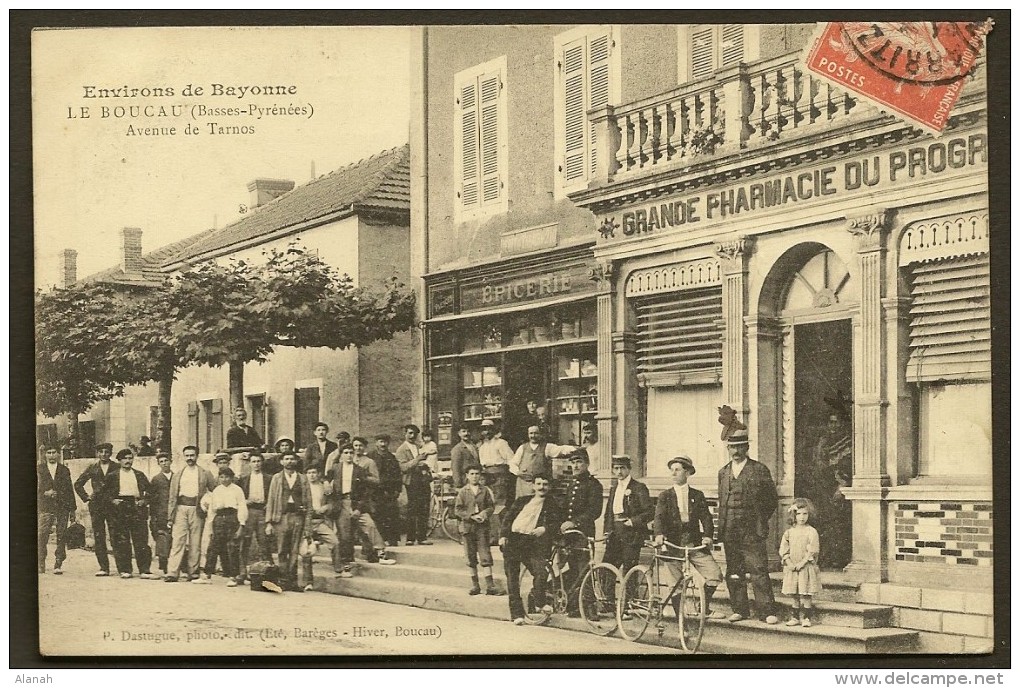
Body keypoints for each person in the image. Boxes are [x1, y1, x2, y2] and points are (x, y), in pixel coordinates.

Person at [717, 428, 780, 625]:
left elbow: (771, 500)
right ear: (728, 448)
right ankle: (739, 609)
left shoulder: (759, 470)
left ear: (747, 447)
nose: (736, 451)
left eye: (739, 446)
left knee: (758, 570)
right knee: (734, 571)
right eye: (732, 447)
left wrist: (758, 519)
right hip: (730, 531)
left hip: (752, 530)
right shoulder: (723, 472)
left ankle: (767, 611)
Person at [653, 456, 726, 621]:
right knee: (676, 583)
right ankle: (681, 620)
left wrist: (707, 536)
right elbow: (659, 517)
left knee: (714, 574)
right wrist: (659, 534)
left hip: (693, 542)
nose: (673, 473)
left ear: (687, 472)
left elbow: (706, 518)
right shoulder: (665, 495)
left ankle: (704, 608)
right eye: (671, 470)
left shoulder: (697, 495)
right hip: (672, 544)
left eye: (677, 470)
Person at [499, 474, 562, 625]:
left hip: (533, 544)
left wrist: (545, 528)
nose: (542, 487)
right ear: (533, 486)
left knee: (541, 572)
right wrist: (503, 536)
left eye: (545, 484)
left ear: (549, 487)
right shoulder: (522, 501)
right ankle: (516, 614)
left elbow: (557, 523)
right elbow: (508, 518)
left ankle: (539, 601)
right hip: (513, 540)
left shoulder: (553, 504)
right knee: (512, 579)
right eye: (539, 484)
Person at [330, 444, 395, 576]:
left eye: (350, 453)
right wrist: (327, 483)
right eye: (346, 452)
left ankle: (381, 553)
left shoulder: (359, 470)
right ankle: (346, 564)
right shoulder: (335, 469)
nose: (348, 455)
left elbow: (366, 492)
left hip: (356, 503)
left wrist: (359, 509)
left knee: (369, 525)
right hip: (341, 503)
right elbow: (326, 479)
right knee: (344, 534)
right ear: (341, 454)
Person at [558, 448, 604, 616]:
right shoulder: (572, 484)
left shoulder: (593, 485)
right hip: (570, 535)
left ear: (587, 464)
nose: (576, 466)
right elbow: (566, 508)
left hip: (583, 532)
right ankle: (574, 606)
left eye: (579, 462)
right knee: (573, 567)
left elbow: (594, 511)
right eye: (573, 462)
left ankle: (589, 607)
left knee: (585, 568)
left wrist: (574, 522)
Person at [165, 445, 218, 583]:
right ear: (184, 457)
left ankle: (193, 572)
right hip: (180, 509)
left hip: (196, 509)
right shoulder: (178, 474)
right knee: (178, 541)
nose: (189, 458)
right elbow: (172, 497)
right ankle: (172, 572)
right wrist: (170, 517)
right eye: (187, 456)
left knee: (195, 542)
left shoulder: (205, 473)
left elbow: (215, 491)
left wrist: (208, 503)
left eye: (192, 455)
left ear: (197, 456)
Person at [100, 448, 155, 580]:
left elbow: (151, 492)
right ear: (119, 460)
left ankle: (144, 569)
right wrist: (113, 500)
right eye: (125, 458)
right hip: (120, 508)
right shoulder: (112, 475)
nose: (128, 461)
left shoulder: (139, 474)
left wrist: (144, 501)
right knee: (121, 540)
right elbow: (103, 493)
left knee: (141, 539)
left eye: (130, 458)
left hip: (136, 507)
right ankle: (125, 570)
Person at [810, 411, 853, 569]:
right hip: (823, 487)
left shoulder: (846, 442)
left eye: (836, 422)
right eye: (830, 422)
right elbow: (818, 464)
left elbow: (846, 467)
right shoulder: (823, 441)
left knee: (838, 525)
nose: (833, 426)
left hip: (838, 488)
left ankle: (838, 559)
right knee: (824, 523)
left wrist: (841, 487)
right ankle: (826, 558)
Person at [266, 451, 313, 591]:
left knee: (294, 550)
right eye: (286, 459)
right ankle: (283, 580)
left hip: (298, 516)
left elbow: (309, 502)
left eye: (292, 459)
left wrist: (308, 524)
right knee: (281, 549)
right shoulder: (276, 478)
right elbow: (271, 499)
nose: (289, 461)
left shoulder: (303, 479)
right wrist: (269, 522)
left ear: (296, 461)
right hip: (281, 517)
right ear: (281, 462)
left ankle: (292, 582)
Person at [603, 455, 653, 578]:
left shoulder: (638, 487)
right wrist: (607, 531)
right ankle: (607, 597)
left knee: (629, 571)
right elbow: (609, 512)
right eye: (616, 468)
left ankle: (630, 598)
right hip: (615, 533)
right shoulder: (614, 488)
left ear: (629, 469)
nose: (619, 472)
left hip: (631, 534)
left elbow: (650, 511)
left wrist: (633, 521)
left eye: (622, 468)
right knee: (606, 569)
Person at [454, 465, 500, 596]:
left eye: (477, 474)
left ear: (480, 476)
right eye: (472, 474)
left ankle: (490, 586)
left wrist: (484, 514)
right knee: (470, 556)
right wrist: (470, 516)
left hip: (482, 527)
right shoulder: (463, 492)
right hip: (468, 528)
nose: (474, 476)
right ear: (467, 476)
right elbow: (458, 510)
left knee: (485, 555)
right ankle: (475, 585)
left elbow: (491, 506)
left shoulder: (484, 490)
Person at [73, 442, 116, 576]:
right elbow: (78, 484)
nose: (104, 454)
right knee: (99, 535)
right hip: (97, 505)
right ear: (98, 453)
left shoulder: (117, 467)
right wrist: (87, 498)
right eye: (101, 452)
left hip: (113, 505)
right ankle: (104, 567)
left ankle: (122, 567)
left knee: (116, 535)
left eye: (107, 452)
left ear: (110, 453)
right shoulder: (92, 467)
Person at [201, 467, 248, 587]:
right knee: (213, 547)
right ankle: (207, 574)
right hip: (219, 519)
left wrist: (241, 524)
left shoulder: (237, 490)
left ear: (232, 478)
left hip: (232, 518)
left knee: (232, 548)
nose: (224, 479)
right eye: (221, 477)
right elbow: (212, 509)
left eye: (227, 477)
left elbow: (242, 507)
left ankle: (233, 576)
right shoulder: (217, 490)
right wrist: (210, 525)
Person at [780, 498, 822, 627]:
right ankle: (795, 617)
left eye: (805, 514)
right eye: (798, 514)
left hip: (805, 567)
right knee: (794, 593)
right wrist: (789, 562)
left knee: (805, 592)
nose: (802, 517)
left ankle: (807, 617)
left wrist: (802, 563)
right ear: (794, 515)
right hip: (792, 566)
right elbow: (784, 549)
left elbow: (813, 551)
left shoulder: (811, 531)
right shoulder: (789, 532)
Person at [301, 465, 340, 591]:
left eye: (314, 472)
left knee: (334, 542)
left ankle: (338, 568)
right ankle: (308, 581)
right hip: (307, 522)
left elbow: (333, 503)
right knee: (306, 551)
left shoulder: (324, 487)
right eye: (309, 472)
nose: (312, 475)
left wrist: (326, 507)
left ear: (318, 474)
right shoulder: (302, 487)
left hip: (320, 521)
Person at [38, 445, 75, 575]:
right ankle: (41, 562)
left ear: (58, 454)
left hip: (62, 506)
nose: (52, 455)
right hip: (45, 506)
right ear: (44, 454)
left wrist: (72, 510)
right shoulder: (39, 469)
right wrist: (44, 493)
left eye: (54, 452)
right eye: (49, 452)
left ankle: (58, 563)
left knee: (62, 534)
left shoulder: (64, 470)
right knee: (42, 535)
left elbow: (70, 489)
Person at [509, 425, 576, 499]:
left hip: (541, 486)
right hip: (524, 486)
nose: (533, 436)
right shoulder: (522, 448)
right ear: (528, 435)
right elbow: (512, 463)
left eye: (536, 433)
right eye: (531, 433)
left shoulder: (547, 447)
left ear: (540, 434)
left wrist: (575, 449)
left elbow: (562, 449)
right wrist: (518, 472)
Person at [238, 451, 274, 579]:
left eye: (258, 461)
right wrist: (245, 501)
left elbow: (273, 496)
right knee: (245, 541)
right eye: (253, 461)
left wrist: (268, 505)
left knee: (264, 541)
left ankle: (269, 571)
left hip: (263, 512)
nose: (256, 464)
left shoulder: (269, 478)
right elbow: (238, 496)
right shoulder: (243, 479)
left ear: (262, 463)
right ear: (249, 464)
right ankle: (242, 571)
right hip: (249, 511)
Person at [396, 424, 433, 546]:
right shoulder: (401, 450)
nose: (412, 436)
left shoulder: (419, 447)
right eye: (410, 433)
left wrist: (424, 464)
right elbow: (403, 467)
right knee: (412, 510)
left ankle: (422, 537)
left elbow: (423, 462)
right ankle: (410, 538)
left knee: (424, 509)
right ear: (405, 434)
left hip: (422, 480)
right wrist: (417, 460)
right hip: (411, 482)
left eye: (414, 434)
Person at [478, 419, 515, 535]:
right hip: (486, 476)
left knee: (499, 505)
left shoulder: (501, 443)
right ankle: (491, 534)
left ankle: (500, 534)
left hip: (499, 476)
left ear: (493, 430)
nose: (486, 432)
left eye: (488, 429)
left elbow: (511, 459)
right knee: (488, 503)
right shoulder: (482, 446)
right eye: (483, 429)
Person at [368, 434, 403, 547]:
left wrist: (397, 489)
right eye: (380, 442)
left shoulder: (391, 457)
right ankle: (380, 540)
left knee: (392, 515)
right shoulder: (371, 457)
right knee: (378, 515)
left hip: (390, 492)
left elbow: (398, 474)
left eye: (385, 442)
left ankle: (392, 539)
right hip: (376, 492)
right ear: (376, 443)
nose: (383, 444)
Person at [147, 452, 174, 575]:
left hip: (175, 512)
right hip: (161, 512)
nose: (164, 463)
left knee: (175, 539)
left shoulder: (177, 476)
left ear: (171, 461)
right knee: (162, 538)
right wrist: (153, 516)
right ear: (158, 464)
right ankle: (164, 565)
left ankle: (175, 564)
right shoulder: (156, 479)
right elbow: (152, 499)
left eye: (166, 460)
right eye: (161, 461)